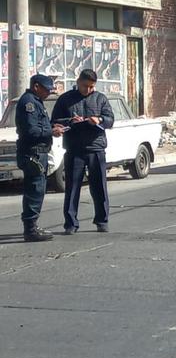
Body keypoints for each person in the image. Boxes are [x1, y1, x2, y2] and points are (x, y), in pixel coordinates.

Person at [51, 69, 115, 233]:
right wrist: (71, 121)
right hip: (74, 149)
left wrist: (99, 120)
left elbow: (110, 120)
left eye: (92, 87)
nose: (88, 90)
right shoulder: (65, 99)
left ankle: (102, 221)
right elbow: (55, 121)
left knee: (99, 186)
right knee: (72, 188)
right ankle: (71, 223)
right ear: (78, 81)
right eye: (85, 86)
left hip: (96, 148)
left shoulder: (100, 98)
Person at [15, 74, 66, 242]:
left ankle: (32, 225)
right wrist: (51, 132)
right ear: (36, 86)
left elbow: (38, 126)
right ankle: (30, 229)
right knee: (35, 190)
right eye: (46, 90)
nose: (48, 93)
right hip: (33, 153)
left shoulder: (36, 101)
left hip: (39, 152)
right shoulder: (28, 103)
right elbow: (30, 131)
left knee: (38, 188)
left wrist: (52, 127)